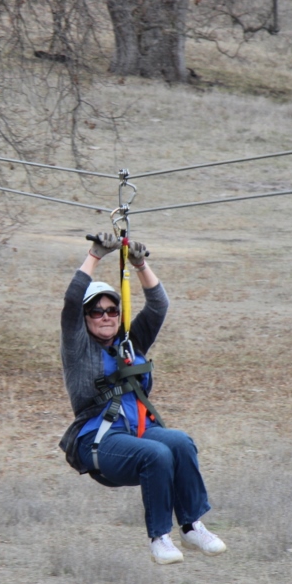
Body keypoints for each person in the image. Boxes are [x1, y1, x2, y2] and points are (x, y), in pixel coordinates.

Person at [58, 232, 227, 564]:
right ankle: (159, 537)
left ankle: (192, 526)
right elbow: (69, 303)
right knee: (157, 455)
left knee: (179, 443)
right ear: (85, 318)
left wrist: (140, 265)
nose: (105, 316)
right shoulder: (78, 348)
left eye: (111, 310)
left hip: (137, 432)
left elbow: (159, 304)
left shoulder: (130, 343)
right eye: (96, 312)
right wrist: (94, 255)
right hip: (98, 441)